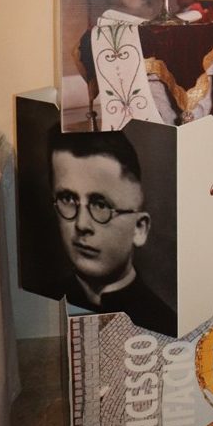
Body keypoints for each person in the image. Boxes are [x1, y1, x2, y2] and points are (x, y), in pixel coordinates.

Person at [49, 129, 176, 335]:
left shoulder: (165, 325)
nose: (81, 224)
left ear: (139, 228)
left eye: (101, 205)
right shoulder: (43, 306)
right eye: (68, 199)